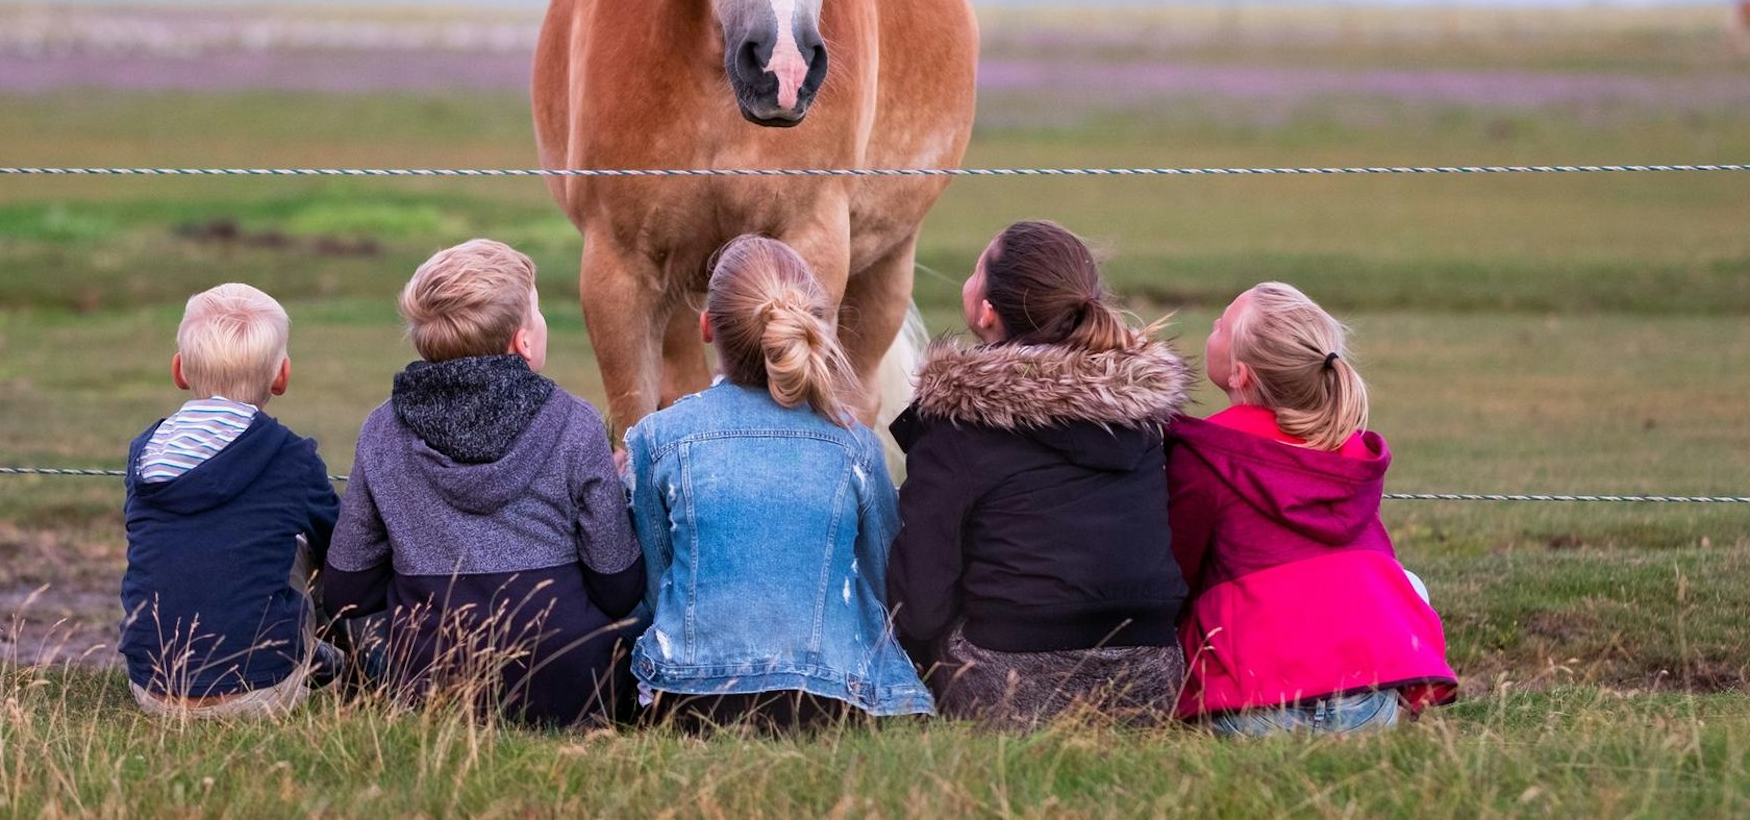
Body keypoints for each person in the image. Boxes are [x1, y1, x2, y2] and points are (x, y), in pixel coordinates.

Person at [322, 239, 643, 726]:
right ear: (524, 342)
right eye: (536, 312)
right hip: (570, 685)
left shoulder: (383, 430)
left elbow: (346, 588)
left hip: (430, 689)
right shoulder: (574, 424)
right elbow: (619, 586)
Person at [887, 220, 1190, 729]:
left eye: (974, 270)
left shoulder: (957, 424)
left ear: (987, 312)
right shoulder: (1142, 418)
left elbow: (918, 607)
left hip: (1010, 686)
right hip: (1150, 681)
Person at [624, 235, 934, 730]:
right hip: (830, 699)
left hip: (688, 699)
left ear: (707, 327)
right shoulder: (855, 446)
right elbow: (884, 580)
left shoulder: (657, 440)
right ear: (811, 329)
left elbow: (656, 586)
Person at [1168, 281, 1457, 735]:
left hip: (1255, 710)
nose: (1212, 326)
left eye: (1221, 325)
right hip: (1367, 707)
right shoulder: (1349, 452)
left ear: (1240, 374)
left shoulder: (1204, 453)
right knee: (1405, 582)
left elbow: (1175, 574)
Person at [121, 282, 342, 719]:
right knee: (305, 549)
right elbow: (340, 546)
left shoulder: (145, 450)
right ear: (282, 376)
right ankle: (325, 657)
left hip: (152, 687)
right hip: (257, 691)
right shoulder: (291, 456)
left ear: (179, 370)